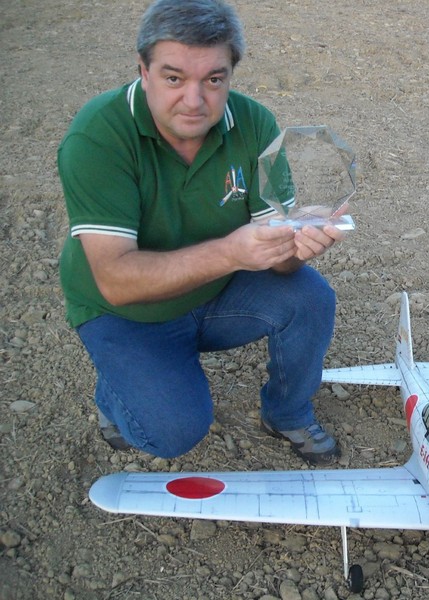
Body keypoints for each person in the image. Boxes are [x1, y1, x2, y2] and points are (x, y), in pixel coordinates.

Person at [57, 0, 347, 465]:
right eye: (174, 78)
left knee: (310, 297)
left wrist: (299, 242)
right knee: (170, 434)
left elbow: (280, 260)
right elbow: (114, 280)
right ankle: (118, 391)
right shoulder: (98, 137)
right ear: (143, 71)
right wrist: (233, 253)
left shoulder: (254, 125)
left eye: (213, 79)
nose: (194, 100)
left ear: (231, 73)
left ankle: (286, 412)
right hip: (125, 310)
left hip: (214, 292)